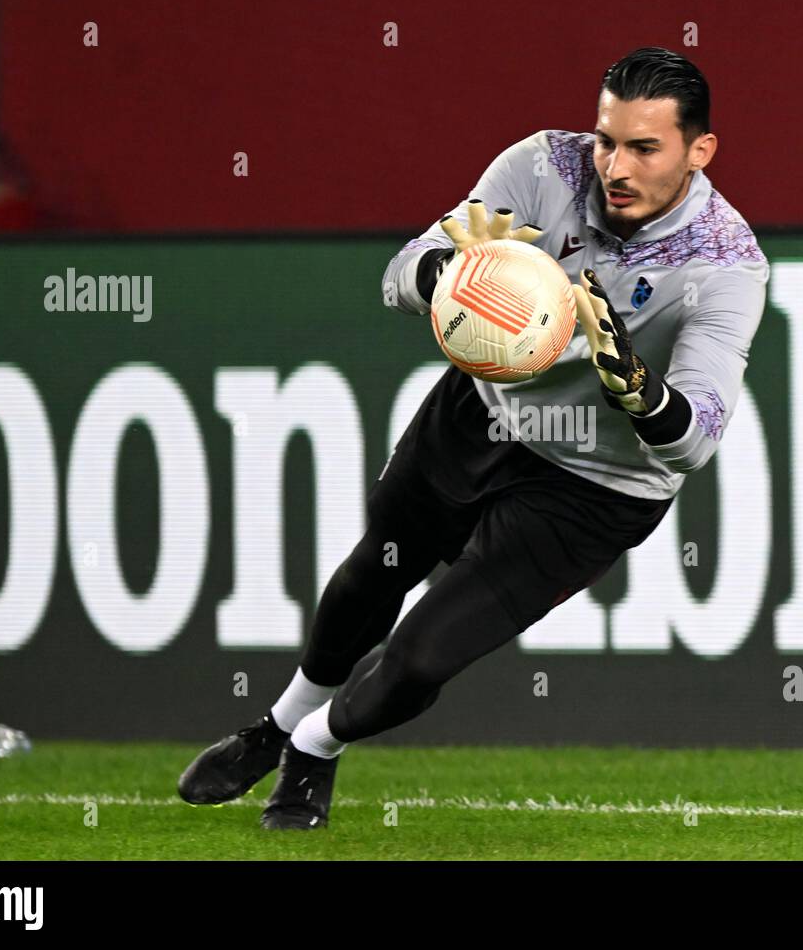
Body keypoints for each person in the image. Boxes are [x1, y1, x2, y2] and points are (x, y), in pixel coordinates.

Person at [176, 46, 769, 830]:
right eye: (606, 139)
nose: (614, 166)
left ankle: (312, 748)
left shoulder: (728, 264)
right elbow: (402, 272)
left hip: (595, 485)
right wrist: (452, 279)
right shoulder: (542, 168)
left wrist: (634, 382)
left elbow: (692, 441)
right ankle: (275, 724)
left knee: (421, 659)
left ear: (700, 151)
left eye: (643, 148)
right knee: (368, 577)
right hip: (483, 412)